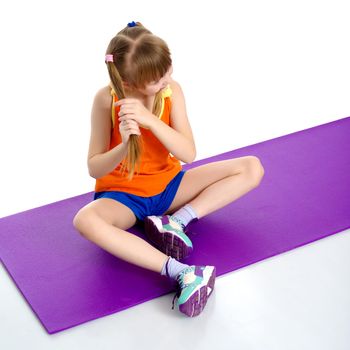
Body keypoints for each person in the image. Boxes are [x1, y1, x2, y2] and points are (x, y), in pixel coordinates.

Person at [73, 21, 265, 318]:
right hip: (123, 198)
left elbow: (188, 153)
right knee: (85, 220)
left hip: (170, 187)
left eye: (168, 70)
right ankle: (183, 273)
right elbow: (94, 167)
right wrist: (124, 144)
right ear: (128, 84)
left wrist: (152, 122)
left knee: (252, 167)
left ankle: (177, 221)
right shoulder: (105, 99)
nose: (167, 79)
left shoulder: (171, 91)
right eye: (157, 78)